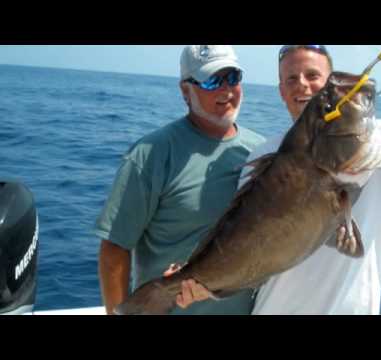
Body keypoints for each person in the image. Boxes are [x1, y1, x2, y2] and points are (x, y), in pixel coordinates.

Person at [175, 45, 381, 314]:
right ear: (281, 91)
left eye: (313, 75)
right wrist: (199, 284)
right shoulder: (263, 154)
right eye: (291, 79)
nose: (302, 84)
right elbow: (241, 241)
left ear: (329, 80)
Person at [95, 45, 265, 315]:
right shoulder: (150, 154)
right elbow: (114, 249)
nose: (226, 90)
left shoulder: (262, 152)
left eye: (232, 77)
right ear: (185, 91)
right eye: (211, 80)